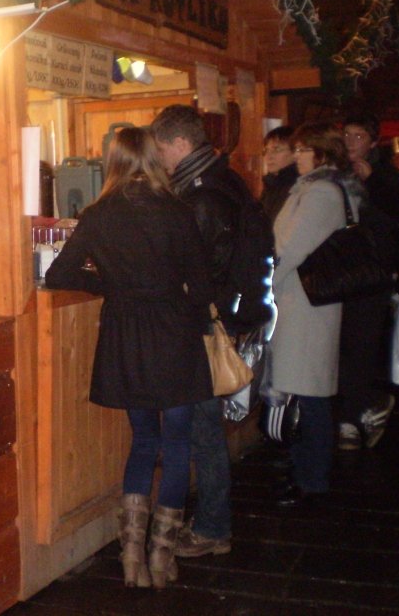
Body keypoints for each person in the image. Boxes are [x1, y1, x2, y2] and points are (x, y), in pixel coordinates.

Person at [45, 126, 212, 590]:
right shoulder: (178, 211)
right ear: (154, 158)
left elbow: (59, 274)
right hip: (174, 336)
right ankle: (161, 556)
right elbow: (202, 287)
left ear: (114, 161)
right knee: (176, 444)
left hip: (126, 337)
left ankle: (131, 556)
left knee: (142, 441)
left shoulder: (98, 214)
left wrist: (110, 285)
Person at [151, 104, 268, 558]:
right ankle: (211, 523)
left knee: (204, 432)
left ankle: (213, 528)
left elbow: (199, 271)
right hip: (223, 318)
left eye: (163, 148)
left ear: (181, 144)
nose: (160, 158)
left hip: (204, 325)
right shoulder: (225, 180)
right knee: (206, 429)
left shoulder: (202, 196)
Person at [270, 123, 351, 506]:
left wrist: (268, 283)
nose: (297, 155)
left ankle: (313, 479)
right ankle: (303, 473)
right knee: (304, 393)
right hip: (300, 304)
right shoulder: (309, 189)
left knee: (311, 395)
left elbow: (291, 248)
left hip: (307, 305)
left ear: (321, 153)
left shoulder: (320, 193)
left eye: (303, 149)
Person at [336, 114, 399, 449]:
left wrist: (373, 185)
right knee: (344, 345)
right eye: (347, 134)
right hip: (341, 274)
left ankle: (352, 417)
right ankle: (356, 408)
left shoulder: (387, 177)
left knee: (362, 344)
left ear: (372, 142)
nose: (351, 142)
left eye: (359, 136)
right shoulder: (336, 174)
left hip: (373, 274)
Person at [259, 125, 297, 222]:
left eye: (276, 150)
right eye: (266, 150)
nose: (268, 156)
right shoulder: (272, 183)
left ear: (295, 153)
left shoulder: (297, 186)